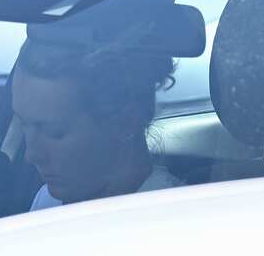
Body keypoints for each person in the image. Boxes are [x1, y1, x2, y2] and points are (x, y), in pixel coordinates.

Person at [11, 37, 183, 211]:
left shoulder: (176, 220)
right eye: (23, 125)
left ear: (127, 121)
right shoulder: (47, 201)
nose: (31, 155)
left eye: (54, 132)